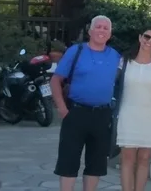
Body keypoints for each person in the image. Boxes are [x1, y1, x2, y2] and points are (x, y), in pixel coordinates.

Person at [50, 15, 121, 191]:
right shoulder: (76, 51)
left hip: (102, 115)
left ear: (110, 33)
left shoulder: (115, 56)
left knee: (96, 163)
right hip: (76, 113)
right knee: (68, 160)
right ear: (90, 31)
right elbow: (56, 80)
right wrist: (62, 108)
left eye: (105, 28)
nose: (101, 31)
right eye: (98, 27)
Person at [116, 27, 151, 191]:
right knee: (127, 159)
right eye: (147, 37)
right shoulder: (124, 61)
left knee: (145, 158)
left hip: (150, 116)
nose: (149, 41)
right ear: (140, 38)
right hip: (128, 114)